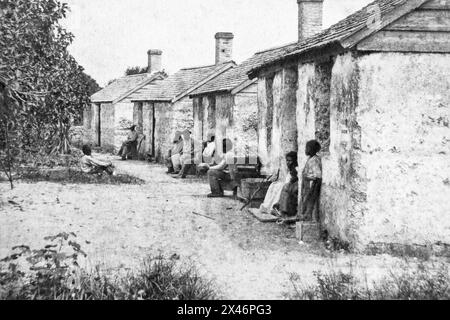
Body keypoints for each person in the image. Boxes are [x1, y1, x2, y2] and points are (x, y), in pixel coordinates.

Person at [269, 151, 299, 219]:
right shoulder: (290, 169)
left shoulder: (295, 169)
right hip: (290, 185)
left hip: (294, 187)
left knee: (285, 190)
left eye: (290, 161)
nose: (288, 162)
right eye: (287, 160)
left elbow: (294, 180)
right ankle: (279, 208)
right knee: (275, 186)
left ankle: (283, 211)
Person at [299, 140, 322, 222]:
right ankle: (306, 219)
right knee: (305, 201)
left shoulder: (314, 160)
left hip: (312, 184)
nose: (306, 150)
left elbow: (318, 175)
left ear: (312, 149)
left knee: (310, 203)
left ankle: (310, 221)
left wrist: (307, 177)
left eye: (307, 148)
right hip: (307, 184)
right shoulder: (310, 159)